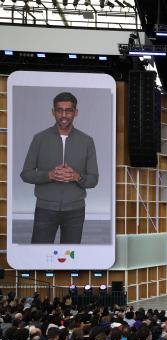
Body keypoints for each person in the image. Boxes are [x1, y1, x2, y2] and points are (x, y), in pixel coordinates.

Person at [20, 91, 99, 244]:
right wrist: (49, 175)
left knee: (71, 259)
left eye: (68, 110)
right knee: (39, 256)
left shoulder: (87, 141)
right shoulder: (40, 139)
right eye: (59, 110)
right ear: (53, 112)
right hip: (45, 209)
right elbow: (25, 174)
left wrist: (77, 177)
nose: (64, 115)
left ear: (76, 112)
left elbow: (93, 179)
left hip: (75, 211)